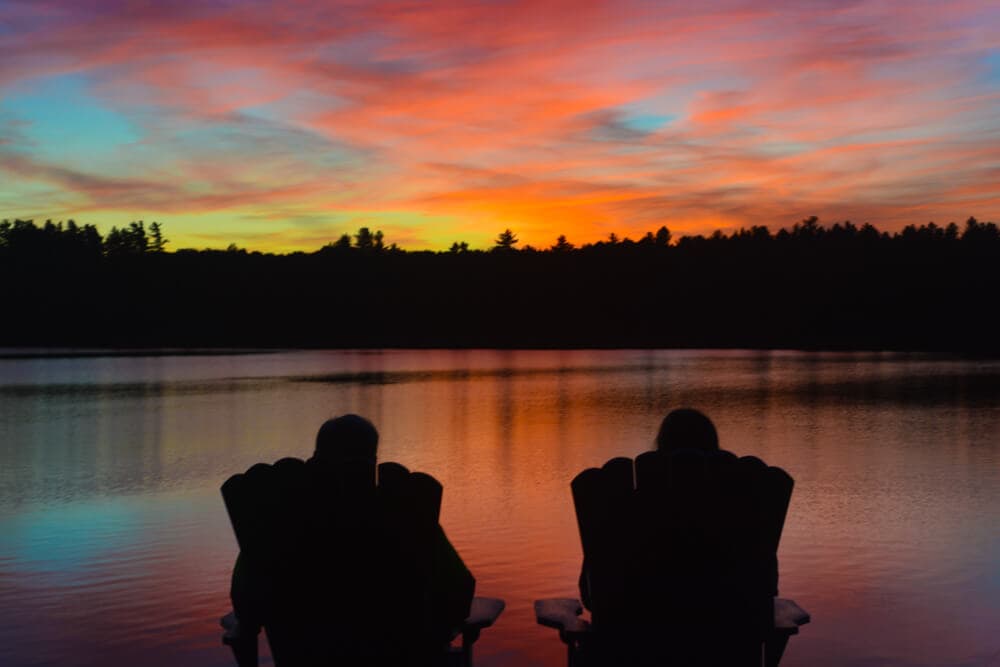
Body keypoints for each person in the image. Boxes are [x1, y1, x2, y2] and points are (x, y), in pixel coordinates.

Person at [227, 414, 474, 660]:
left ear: (316, 460)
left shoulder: (275, 526)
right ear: (372, 462)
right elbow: (460, 592)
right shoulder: (407, 516)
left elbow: (244, 602)